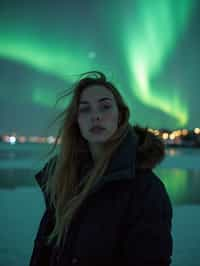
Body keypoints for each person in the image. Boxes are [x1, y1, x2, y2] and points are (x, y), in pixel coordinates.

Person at [29, 71, 173, 266]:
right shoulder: (63, 179)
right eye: (85, 109)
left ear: (120, 116)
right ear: (76, 121)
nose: (95, 116)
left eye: (105, 107)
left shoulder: (146, 189)